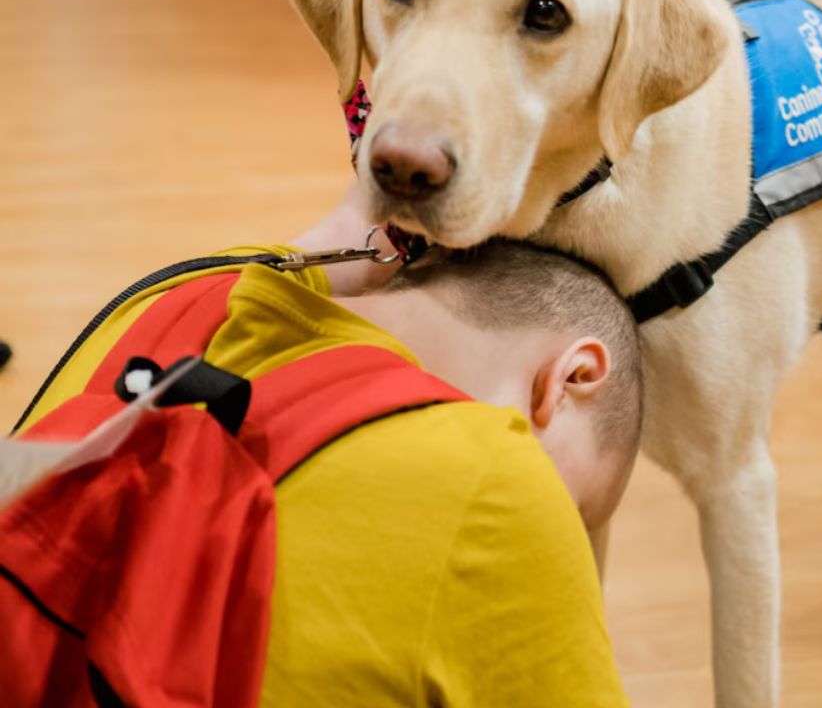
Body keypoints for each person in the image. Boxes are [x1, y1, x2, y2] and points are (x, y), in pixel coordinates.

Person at [2, 187, 642, 707]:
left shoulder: (173, 298)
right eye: (569, 502)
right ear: (573, 377)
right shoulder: (497, 481)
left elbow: (341, 228)